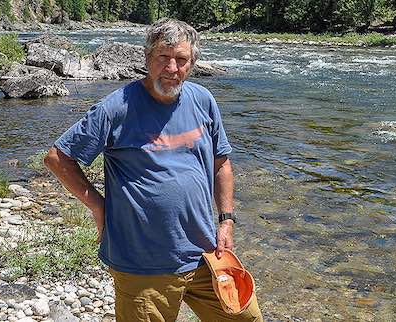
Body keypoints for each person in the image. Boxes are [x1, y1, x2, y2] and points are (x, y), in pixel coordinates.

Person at [44, 18, 263, 322]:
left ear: (192, 63)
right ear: (147, 59)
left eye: (181, 59)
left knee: (247, 318)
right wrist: (98, 207)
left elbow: (221, 163)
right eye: (163, 57)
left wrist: (226, 220)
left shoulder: (204, 100)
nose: (172, 68)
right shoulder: (117, 107)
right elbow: (58, 158)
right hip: (142, 265)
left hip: (205, 256)